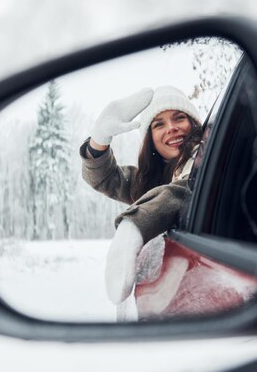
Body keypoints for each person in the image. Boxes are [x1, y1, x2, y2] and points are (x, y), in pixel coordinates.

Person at [80, 86, 204, 304]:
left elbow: (185, 190)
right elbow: (105, 178)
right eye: (159, 125)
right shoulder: (155, 180)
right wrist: (99, 139)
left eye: (179, 118)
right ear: (150, 140)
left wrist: (135, 225)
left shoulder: (203, 163)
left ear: (193, 123)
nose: (172, 128)